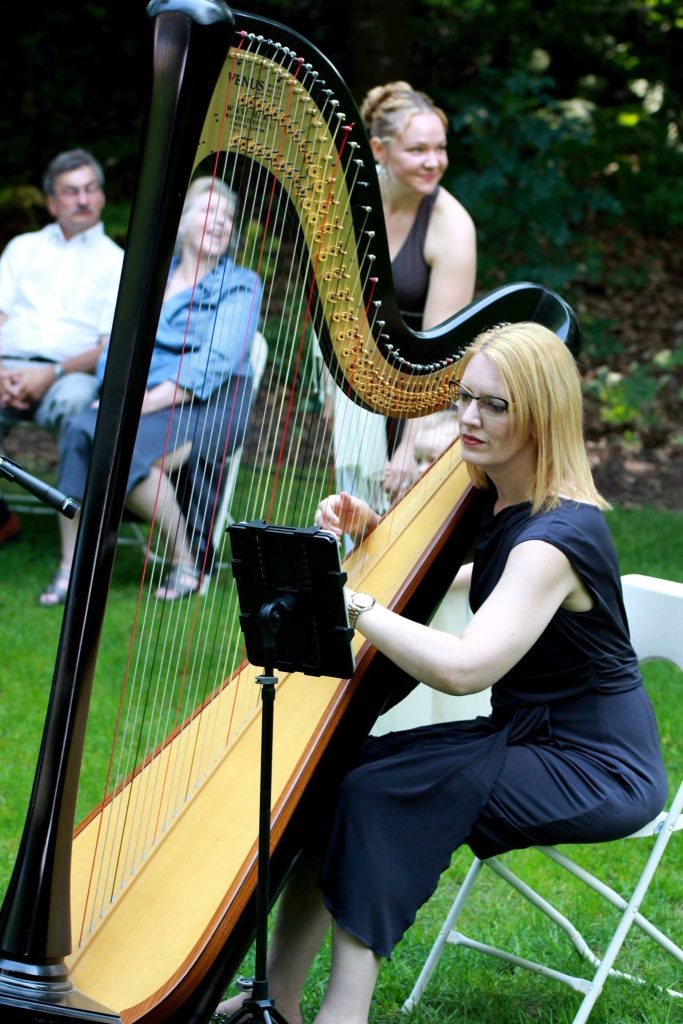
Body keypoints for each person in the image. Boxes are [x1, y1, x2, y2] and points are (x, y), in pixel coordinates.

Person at [214, 321, 667, 1024]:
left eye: (494, 405)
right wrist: (373, 534)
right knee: (334, 776)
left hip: (594, 766)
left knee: (379, 793)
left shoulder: (558, 536)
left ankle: (344, 1010)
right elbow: (464, 579)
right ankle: (277, 991)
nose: (467, 418)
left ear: (541, 413)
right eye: (463, 398)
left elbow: (464, 669)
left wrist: (352, 602)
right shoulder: (501, 497)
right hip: (523, 739)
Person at [39, 177, 262, 606]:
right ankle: (71, 568)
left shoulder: (240, 284)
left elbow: (213, 363)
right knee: (80, 430)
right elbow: (120, 344)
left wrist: (133, 405)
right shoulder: (152, 278)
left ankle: (186, 560)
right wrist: (115, 393)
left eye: (228, 217)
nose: (219, 223)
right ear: (182, 222)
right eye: (208, 212)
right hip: (139, 399)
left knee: (119, 448)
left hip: (206, 401)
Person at [324, 80, 476, 513]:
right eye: (417, 150)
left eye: (440, 149)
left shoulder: (452, 227)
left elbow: (440, 355)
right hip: (361, 376)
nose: (434, 162)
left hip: (428, 393)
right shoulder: (350, 203)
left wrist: (408, 447)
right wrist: (339, 390)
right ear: (378, 149)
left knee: (424, 459)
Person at [0, 149, 124, 526]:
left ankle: (75, 531)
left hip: (69, 378)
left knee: (78, 405)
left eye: (90, 189)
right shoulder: (24, 248)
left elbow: (106, 346)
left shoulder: (117, 261)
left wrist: (51, 373)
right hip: (7, 367)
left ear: (102, 196)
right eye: (71, 192)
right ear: (53, 203)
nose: (83, 200)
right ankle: (3, 518)